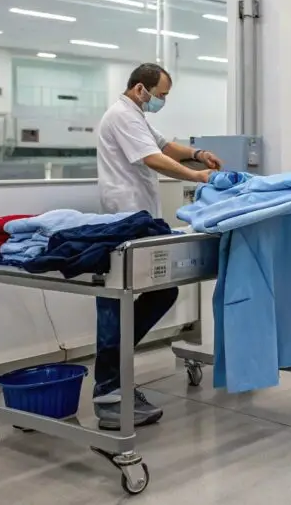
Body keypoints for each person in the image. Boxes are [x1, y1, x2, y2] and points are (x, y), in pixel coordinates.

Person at [93, 63, 223, 430]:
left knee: (160, 292)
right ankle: (109, 392)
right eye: (161, 95)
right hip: (123, 218)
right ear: (140, 89)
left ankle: (116, 370)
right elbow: (153, 159)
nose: (162, 101)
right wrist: (197, 175)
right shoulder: (121, 116)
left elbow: (164, 145)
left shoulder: (136, 114)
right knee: (117, 300)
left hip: (140, 218)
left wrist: (197, 154)